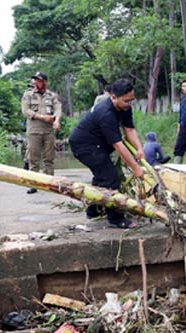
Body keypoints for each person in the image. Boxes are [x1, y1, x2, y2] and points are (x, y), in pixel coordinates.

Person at [68, 79, 145, 229]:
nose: (129, 104)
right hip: (85, 146)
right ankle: (116, 218)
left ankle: (93, 210)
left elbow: (129, 129)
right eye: (126, 101)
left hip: (99, 145)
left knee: (102, 177)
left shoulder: (125, 107)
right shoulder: (106, 113)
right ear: (114, 97)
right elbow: (119, 146)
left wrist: (139, 148)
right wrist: (136, 168)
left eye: (132, 100)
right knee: (110, 178)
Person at [21, 71, 62, 194]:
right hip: (34, 131)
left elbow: (58, 108)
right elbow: (25, 111)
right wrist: (41, 117)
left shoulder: (52, 96)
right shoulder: (28, 95)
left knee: (49, 158)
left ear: (44, 82)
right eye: (35, 80)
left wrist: (57, 120)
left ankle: (50, 183)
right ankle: (33, 184)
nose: (36, 82)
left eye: (39, 80)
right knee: (33, 159)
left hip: (48, 131)